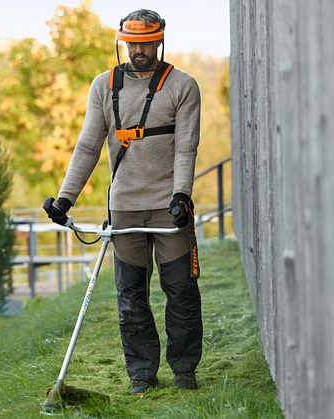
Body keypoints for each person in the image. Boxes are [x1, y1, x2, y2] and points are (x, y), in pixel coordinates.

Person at [43, 9, 202, 395]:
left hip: (169, 206)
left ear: (159, 41)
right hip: (125, 205)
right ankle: (142, 375)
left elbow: (186, 148)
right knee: (130, 296)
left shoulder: (183, 85)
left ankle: (184, 370)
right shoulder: (103, 86)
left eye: (146, 42)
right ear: (122, 43)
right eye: (132, 43)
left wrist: (181, 195)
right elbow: (87, 147)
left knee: (180, 289)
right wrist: (65, 199)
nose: (138, 50)